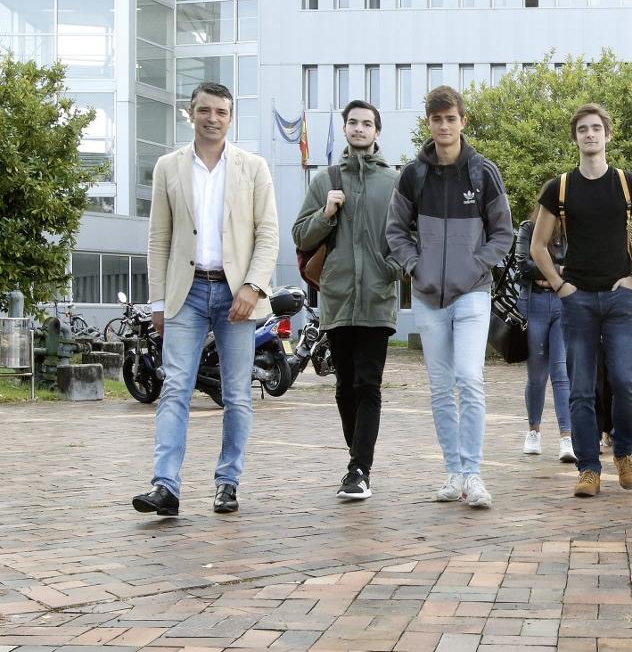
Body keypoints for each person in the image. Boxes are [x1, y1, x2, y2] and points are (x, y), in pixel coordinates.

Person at [132, 82, 278, 517]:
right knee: (175, 386)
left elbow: (267, 234)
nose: (213, 118)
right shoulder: (168, 167)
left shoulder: (253, 167)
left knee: (236, 393)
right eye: (205, 110)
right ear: (190, 113)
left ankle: (227, 483)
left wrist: (253, 287)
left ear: (230, 118)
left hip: (237, 294)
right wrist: (157, 301)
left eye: (221, 112)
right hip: (187, 291)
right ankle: (165, 487)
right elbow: (158, 238)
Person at [385, 86, 513, 509]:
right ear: (429, 123)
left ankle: (473, 474)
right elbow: (395, 231)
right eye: (436, 119)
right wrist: (414, 266)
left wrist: (478, 265)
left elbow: (503, 233)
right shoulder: (413, 175)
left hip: (472, 293)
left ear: (462, 121)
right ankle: (453, 472)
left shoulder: (482, 172)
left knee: (470, 378)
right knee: (441, 388)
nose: (444, 126)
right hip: (426, 296)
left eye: (450, 118)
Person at [529, 104, 632, 499]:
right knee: (581, 388)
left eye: (596, 129)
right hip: (577, 301)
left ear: (607, 135)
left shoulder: (627, 183)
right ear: (576, 138)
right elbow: (538, 245)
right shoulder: (560, 188)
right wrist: (558, 284)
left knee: (625, 381)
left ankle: (623, 453)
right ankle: (588, 467)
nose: (590, 135)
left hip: (620, 299)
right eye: (583, 130)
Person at [292, 100, 399, 501]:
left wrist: (391, 268)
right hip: (337, 298)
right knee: (344, 389)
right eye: (353, 122)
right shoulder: (324, 180)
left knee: (367, 383)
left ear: (377, 132)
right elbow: (301, 236)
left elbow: (409, 237)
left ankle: (359, 469)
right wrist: (326, 212)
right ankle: (356, 461)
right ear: (345, 128)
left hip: (376, 298)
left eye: (367, 123)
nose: (359, 129)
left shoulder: (393, 181)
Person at [515, 205, 576, 463]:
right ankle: (534, 431)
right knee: (537, 373)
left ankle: (566, 437)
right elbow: (523, 265)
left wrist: (551, 273)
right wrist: (558, 272)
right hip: (535, 305)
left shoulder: (573, 231)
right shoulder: (528, 229)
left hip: (563, 304)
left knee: (560, 372)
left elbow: (577, 266)